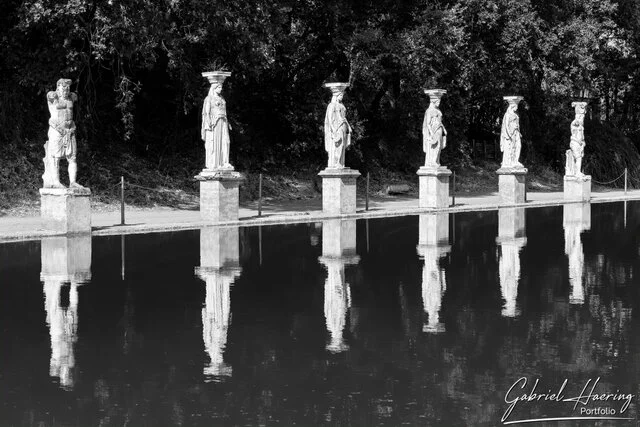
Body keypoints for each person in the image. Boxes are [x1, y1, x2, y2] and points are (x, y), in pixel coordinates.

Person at [43, 78, 84, 188]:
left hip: (70, 130)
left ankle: (73, 182)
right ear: (58, 89)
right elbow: (50, 96)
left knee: (72, 157)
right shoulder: (53, 97)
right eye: (63, 89)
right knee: (55, 157)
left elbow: (75, 96)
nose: (65, 91)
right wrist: (55, 93)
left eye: (67, 89)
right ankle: (56, 182)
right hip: (57, 130)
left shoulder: (71, 97)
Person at [201, 82, 232, 170]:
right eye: (219, 87)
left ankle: (224, 162)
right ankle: (214, 163)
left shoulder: (222, 98)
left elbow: (224, 112)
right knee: (214, 141)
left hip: (223, 122)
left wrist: (227, 122)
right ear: (214, 88)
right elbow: (206, 112)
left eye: (221, 87)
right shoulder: (209, 98)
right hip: (214, 123)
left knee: (225, 141)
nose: (221, 89)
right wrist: (208, 121)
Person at [324, 91, 351, 168]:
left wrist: (349, 127)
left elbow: (344, 118)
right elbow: (329, 118)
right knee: (338, 144)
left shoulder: (342, 106)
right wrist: (333, 129)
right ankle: (336, 162)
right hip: (337, 127)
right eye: (340, 95)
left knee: (342, 145)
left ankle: (340, 162)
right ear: (336, 96)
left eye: (342, 95)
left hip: (343, 127)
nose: (341, 97)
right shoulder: (332, 105)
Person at [422, 97, 447, 167]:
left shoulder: (438, 110)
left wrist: (444, 129)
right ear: (433, 102)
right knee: (435, 145)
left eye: (439, 102)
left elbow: (440, 122)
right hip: (434, 130)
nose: (439, 104)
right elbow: (428, 124)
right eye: (437, 102)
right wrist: (431, 133)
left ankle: (436, 161)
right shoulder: (429, 111)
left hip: (439, 129)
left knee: (439, 146)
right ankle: (432, 161)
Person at [500, 103, 523, 168]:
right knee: (511, 147)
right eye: (516, 106)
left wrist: (519, 132)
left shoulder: (515, 115)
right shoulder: (507, 115)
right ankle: (510, 161)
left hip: (516, 133)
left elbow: (517, 124)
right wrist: (508, 134)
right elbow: (506, 125)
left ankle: (515, 160)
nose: (517, 108)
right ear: (513, 107)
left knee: (518, 146)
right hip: (511, 133)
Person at [566, 112, 585, 177]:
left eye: (582, 117)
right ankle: (577, 173)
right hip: (575, 143)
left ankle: (577, 172)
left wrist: (583, 142)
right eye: (580, 117)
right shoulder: (574, 125)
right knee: (578, 158)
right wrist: (579, 115)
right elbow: (575, 122)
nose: (581, 119)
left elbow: (582, 137)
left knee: (579, 157)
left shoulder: (581, 127)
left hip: (579, 144)